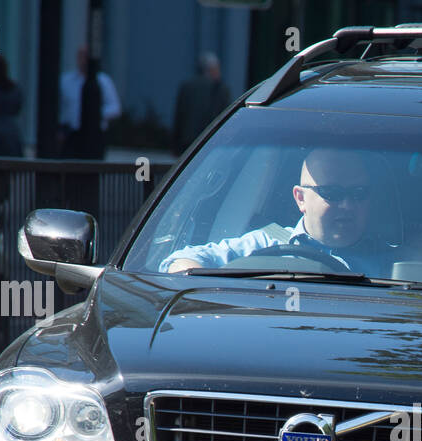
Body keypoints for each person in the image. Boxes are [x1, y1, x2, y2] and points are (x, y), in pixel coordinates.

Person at [160, 149, 389, 274]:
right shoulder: (265, 245)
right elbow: (179, 261)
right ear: (301, 198)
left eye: (359, 193)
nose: (348, 205)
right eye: (333, 193)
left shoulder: (396, 265)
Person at [59, 46, 121, 158]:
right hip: (71, 135)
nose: (83, 60)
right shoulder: (66, 81)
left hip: (95, 135)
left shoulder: (103, 81)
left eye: (86, 57)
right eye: (80, 56)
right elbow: (60, 107)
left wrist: (95, 115)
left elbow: (115, 108)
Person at [173, 52, 231, 155]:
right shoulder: (220, 89)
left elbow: (179, 116)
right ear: (212, 70)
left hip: (187, 142)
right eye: (217, 69)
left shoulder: (186, 87)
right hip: (209, 142)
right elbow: (226, 117)